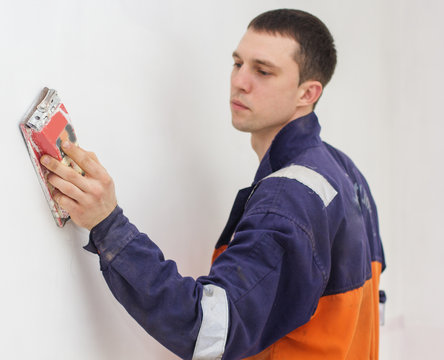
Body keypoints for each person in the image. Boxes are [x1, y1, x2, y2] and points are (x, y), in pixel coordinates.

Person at [39, 8, 386, 360]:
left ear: (307, 93)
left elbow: (209, 328)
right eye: (238, 64)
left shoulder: (290, 198)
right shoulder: (346, 174)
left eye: (263, 71)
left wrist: (108, 224)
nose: (240, 81)